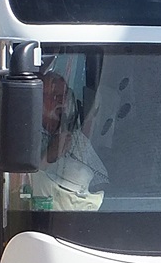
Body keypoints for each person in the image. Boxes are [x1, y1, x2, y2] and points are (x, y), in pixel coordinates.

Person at [29, 71, 108, 210]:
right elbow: (20, 189)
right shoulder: (26, 137)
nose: (61, 101)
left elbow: (101, 182)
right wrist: (49, 156)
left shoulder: (76, 137)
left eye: (64, 96)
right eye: (55, 96)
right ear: (37, 98)